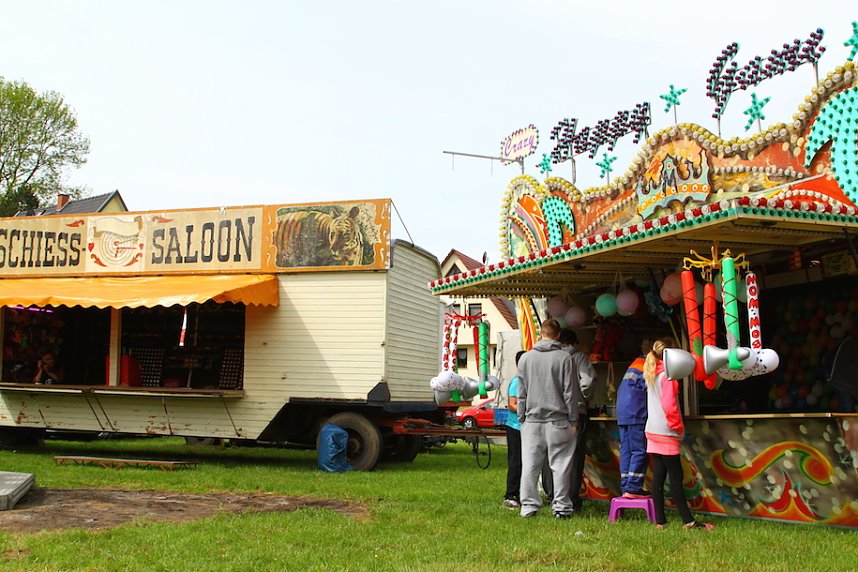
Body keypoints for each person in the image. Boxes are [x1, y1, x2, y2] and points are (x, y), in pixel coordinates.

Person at [644, 337, 714, 530]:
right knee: (676, 477)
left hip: (652, 430)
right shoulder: (668, 376)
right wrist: (677, 427)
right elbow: (670, 405)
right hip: (667, 432)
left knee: (658, 476)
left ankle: (660, 521)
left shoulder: (651, 372)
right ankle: (688, 521)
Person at [517, 318, 582, 519]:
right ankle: (561, 508)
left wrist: (522, 418)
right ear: (559, 335)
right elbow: (570, 393)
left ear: (540, 334)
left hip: (532, 421)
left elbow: (522, 393)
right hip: (559, 420)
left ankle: (528, 506)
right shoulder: (565, 358)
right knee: (561, 466)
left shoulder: (525, 359)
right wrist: (574, 420)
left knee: (530, 465)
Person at [541, 328, 595, 511]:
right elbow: (587, 381)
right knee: (572, 457)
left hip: (550, 412)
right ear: (575, 342)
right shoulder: (578, 357)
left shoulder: (549, 358)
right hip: (574, 412)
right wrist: (584, 396)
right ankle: (570, 498)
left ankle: (551, 495)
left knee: (551, 455)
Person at [616, 338, 652, 498]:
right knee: (640, 450)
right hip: (636, 412)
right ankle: (634, 487)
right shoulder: (648, 366)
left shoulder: (635, 363)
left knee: (626, 451)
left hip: (623, 413)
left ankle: (626, 486)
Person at [502, 350, 526, 509]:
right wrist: (528, 410)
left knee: (526, 462)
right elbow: (512, 405)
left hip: (525, 427)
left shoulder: (528, 380)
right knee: (516, 461)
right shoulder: (517, 382)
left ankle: (523, 494)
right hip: (515, 427)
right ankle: (510, 495)